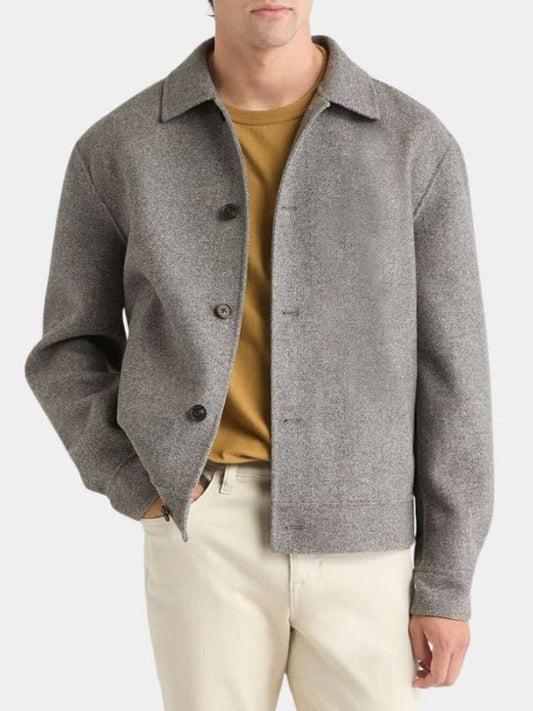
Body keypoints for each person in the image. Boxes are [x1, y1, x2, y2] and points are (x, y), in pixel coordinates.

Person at [24, 1, 494, 709]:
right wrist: (136, 479)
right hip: (203, 528)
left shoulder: (412, 143)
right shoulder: (119, 147)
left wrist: (446, 580)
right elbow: (69, 346)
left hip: (367, 535)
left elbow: (454, 371)